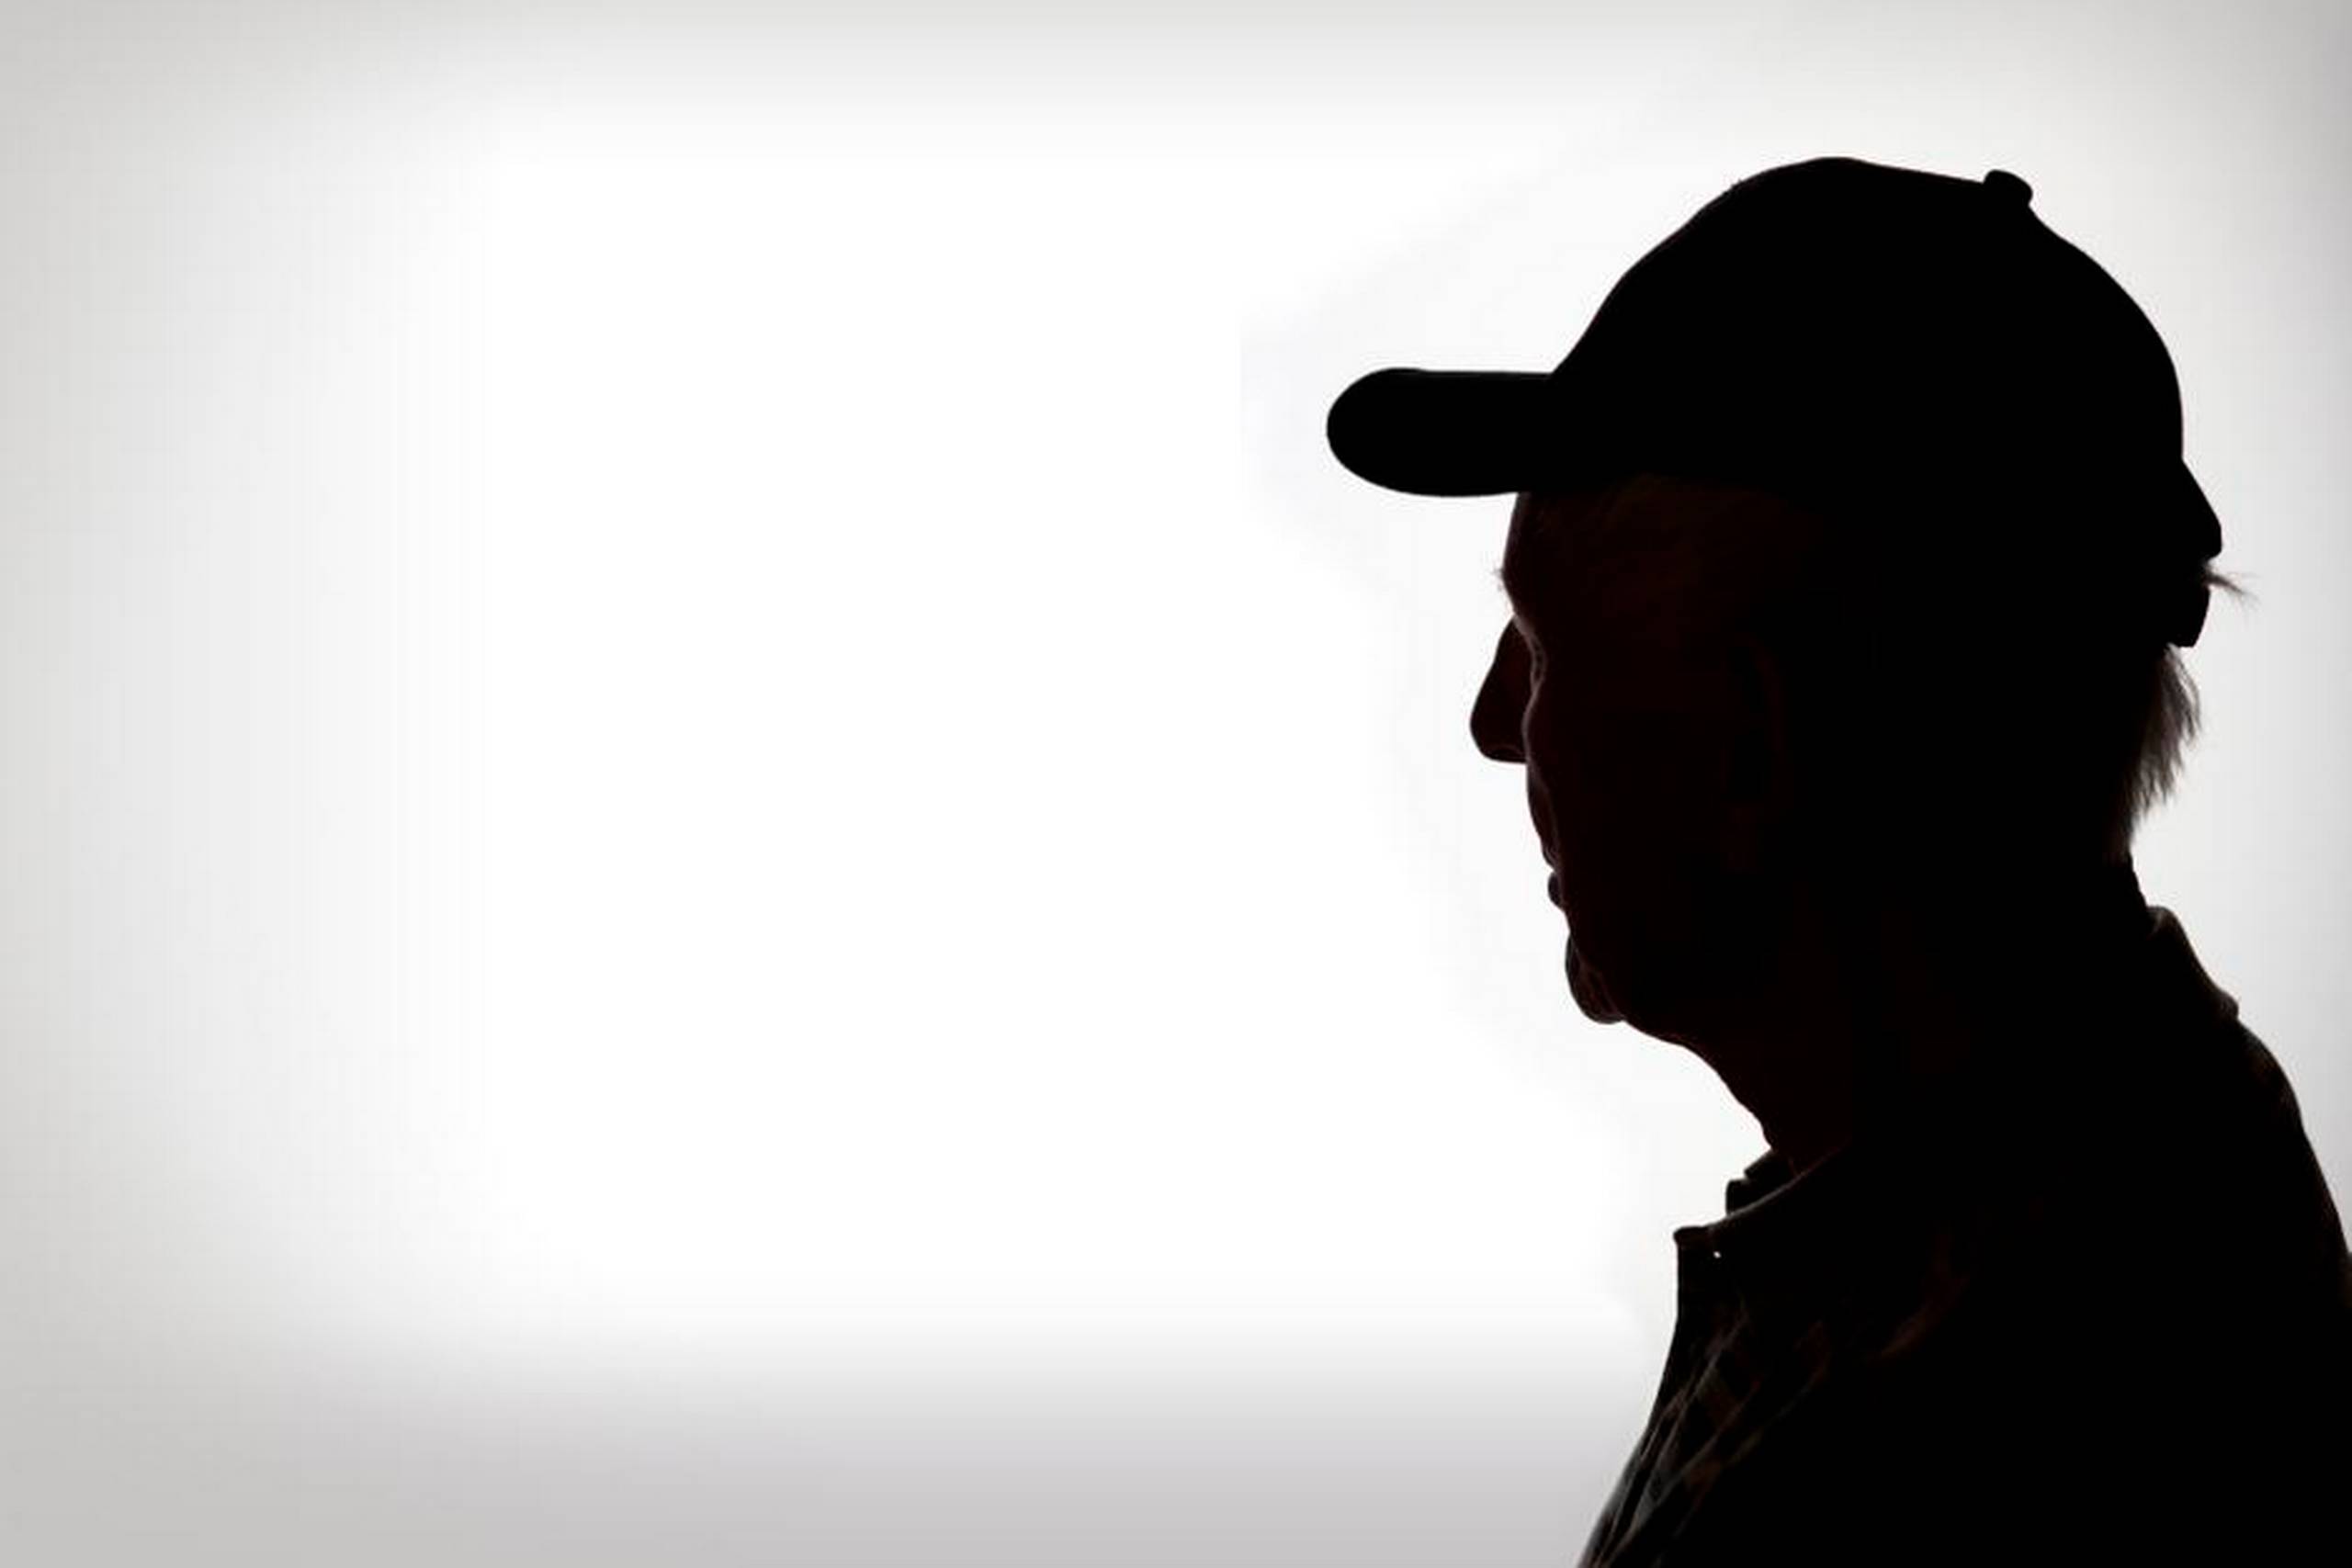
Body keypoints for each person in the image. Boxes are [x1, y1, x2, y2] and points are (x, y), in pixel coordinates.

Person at [1327, 157, 2352, 1564]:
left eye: (1545, 646)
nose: (1495, 724)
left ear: (1749, 743)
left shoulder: (1966, 1437)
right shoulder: (2070, 1193)